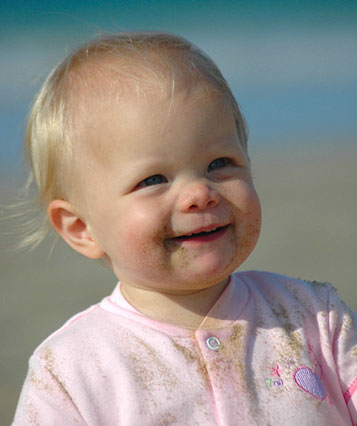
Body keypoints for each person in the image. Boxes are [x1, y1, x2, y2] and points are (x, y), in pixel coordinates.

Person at [12, 32, 357, 426]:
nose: (199, 193)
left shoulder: (313, 315)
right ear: (81, 229)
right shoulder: (73, 371)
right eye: (154, 179)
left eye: (219, 163)